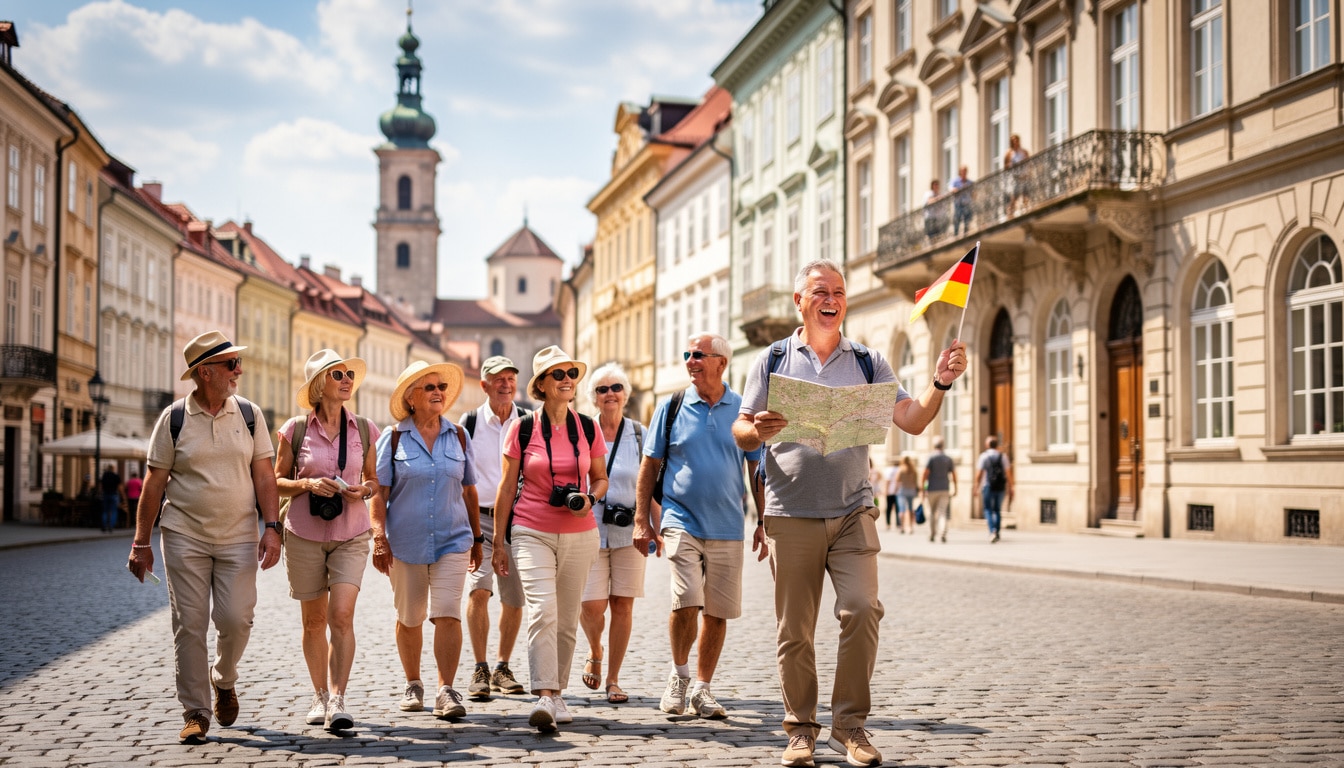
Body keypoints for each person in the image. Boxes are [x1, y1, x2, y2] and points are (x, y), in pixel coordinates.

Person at [732, 260, 967, 767]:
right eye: (820, 291)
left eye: (839, 291)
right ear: (801, 301)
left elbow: (913, 419)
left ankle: (850, 725)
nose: (831, 298)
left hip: (853, 510)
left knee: (862, 608)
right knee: (795, 629)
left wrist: (940, 383)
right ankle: (800, 730)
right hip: (790, 511)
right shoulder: (771, 359)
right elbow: (741, 429)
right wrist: (760, 431)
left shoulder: (868, 362)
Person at [126, 330, 281, 745]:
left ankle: (223, 678)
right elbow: (154, 483)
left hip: (239, 537)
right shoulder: (173, 418)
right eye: (232, 364)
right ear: (205, 372)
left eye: (237, 363)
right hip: (184, 536)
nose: (239, 371)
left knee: (236, 618)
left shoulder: (249, 414)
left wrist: (272, 527)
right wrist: (141, 542)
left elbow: (265, 474)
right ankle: (195, 710)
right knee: (189, 624)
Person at [635, 333, 765, 721]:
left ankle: (702, 689)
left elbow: (756, 467)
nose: (691, 361)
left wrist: (763, 521)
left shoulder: (743, 410)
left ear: (721, 363)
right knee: (687, 598)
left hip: (728, 523)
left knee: (718, 611)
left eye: (699, 355)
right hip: (680, 519)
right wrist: (643, 519)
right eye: (687, 355)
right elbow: (651, 465)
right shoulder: (671, 406)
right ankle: (678, 675)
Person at [492, 346, 608, 733]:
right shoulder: (522, 428)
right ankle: (543, 694)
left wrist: (589, 499)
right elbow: (507, 488)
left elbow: (601, 478)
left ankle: (558, 692)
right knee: (543, 609)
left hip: (579, 531)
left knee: (567, 615)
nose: (567, 380)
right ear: (541, 385)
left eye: (571, 373)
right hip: (531, 529)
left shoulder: (588, 427)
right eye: (557, 374)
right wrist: (496, 541)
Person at [274, 350, 380, 731]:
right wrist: (306, 483)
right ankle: (318, 695)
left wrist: (362, 492)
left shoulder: (365, 430)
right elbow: (275, 481)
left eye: (349, 373)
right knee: (314, 620)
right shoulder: (294, 430)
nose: (347, 379)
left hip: (351, 532)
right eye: (338, 375)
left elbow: (374, 480)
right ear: (320, 385)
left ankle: (337, 698)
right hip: (304, 534)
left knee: (342, 615)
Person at [370, 360, 481, 722]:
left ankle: (445, 690)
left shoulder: (459, 435)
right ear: (411, 397)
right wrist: (379, 537)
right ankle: (413, 682)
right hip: (406, 541)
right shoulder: (395, 437)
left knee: (447, 612)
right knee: (410, 616)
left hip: (454, 538)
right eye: (429, 387)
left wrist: (478, 538)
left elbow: (469, 491)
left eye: (441, 387)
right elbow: (378, 492)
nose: (438, 392)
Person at [459, 356, 528, 702]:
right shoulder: (468, 423)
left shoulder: (529, 422)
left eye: (510, 378)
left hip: (520, 518)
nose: (505, 384)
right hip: (480, 519)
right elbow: (460, 477)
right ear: (483, 385)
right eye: (497, 379)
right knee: (479, 591)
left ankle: (502, 666)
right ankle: (480, 667)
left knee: (514, 598)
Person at [579, 362, 648, 705]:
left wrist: (651, 524)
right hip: (587, 529)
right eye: (603, 389)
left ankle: (614, 678)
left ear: (626, 394)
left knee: (622, 605)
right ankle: (595, 648)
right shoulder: (581, 431)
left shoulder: (640, 434)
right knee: (591, 605)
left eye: (616, 387)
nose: (610, 394)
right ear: (593, 397)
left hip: (629, 531)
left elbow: (651, 483)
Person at [974, 436, 1013, 543]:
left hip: (987, 486)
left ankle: (992, 531)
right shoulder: (1003, 456)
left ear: (987, 445)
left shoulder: (984, 456)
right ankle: (998, 532)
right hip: (1000, 486)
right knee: (997, 510)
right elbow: (1008, 473)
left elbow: (979, 474)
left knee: (988, 509)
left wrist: (976, 487)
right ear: (997, 445)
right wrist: (1011, 487)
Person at [922, 437, 957, 543]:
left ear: (934, 446)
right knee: (942, 512)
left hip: (932, 489)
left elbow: (925, 474)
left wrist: (922, 489)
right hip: (944, 489)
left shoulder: (931, 457)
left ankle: (932, 534)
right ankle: (943, 533)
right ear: (943, 446)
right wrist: (956, 487)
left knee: (932, 512)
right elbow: (954, 474)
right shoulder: (948, 458)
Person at [1004, 134, 1030, 217]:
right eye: (1013, 140)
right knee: (1015, 195)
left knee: (1026, 193)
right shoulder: (1009, 153)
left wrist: (1028, 172)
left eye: (1016, 140)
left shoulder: (1023, 152)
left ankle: (1026, 209)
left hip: (1024, 175)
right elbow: (1005, 166)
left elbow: (1028, 162)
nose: (1015, 142)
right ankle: (1010, 211)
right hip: (1015, 177)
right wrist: (1011, 165)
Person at [894, 455, 919, 535]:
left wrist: (895, 490)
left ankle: (902, 527)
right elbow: (915, 482)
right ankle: (911, 527)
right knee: (911, 508)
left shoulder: (901, 470)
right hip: (911, 490)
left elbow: (897, 480)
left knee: (902, 509)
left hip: (902, 490)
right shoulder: (913, 470)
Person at [100, 464, 123, 533]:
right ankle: (111, 526)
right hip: (113, 494)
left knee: (105, 511)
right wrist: (122, 495)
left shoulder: (105, 475)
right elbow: (119, 487)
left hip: (106, 494)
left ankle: (104, 525)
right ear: (113, 469)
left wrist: (101, 492)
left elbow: (101, 485)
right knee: (113, 511)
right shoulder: (115, 476)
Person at [950, 165, 972, 236]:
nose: (964, 173)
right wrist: (957, 190)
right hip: (958, 204)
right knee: (957, 219)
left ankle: (966, 234)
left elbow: (973, 193)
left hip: (966, 203)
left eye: (965, 171)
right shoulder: (955, 181)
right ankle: (956, 235)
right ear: (960, 172)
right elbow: (951, 189)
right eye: (962, 171)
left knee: (967, 220)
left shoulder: (969, 182)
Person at [881, 459, 899, 529]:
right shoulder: (899, 469)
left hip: (890, 491)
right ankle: (898, 523)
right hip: (897, 492)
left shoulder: (889, 470)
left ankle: (888, 523)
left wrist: (886, 490)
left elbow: (887, 481)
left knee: (889, 508)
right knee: (898, 508)